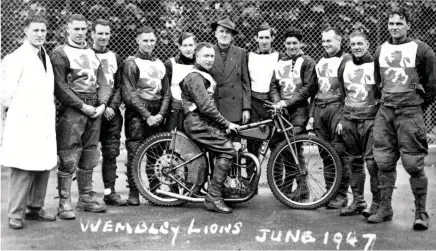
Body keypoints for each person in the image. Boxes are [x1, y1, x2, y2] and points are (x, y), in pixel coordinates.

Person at [368, 7, 436, 230]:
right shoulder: (380, 50)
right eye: (391, 23)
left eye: (399, 23)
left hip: (410, 113)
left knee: (413, 163)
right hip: (385, 111)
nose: (394, 27)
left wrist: (416, 105)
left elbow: (432, 85)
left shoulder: (422, 50)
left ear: (408, 25)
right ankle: (385, 209)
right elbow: (378, 82)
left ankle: (421, 213)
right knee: (383, 161)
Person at [51, 14, 111, 219]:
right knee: (68, 155)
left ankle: (85, 198)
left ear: (87, 30)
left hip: (94, 108)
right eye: (75, 29)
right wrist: (81, 106)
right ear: (68, 29)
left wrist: (103, 103)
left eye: (83, 29)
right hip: (73, 109)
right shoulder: (60, 53)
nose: (79, 33)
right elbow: (59, 86)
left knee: (90, 153)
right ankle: (64, 202)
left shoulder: (92, 53)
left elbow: (103, 81)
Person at [1, 15, 57, 229]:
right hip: (24, 121)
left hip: (43, 121)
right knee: (23, 168)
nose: (40, 34)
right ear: (25, 31)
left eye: (43, 30)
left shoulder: (45, 56)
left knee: (42, 165)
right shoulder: (15, 57)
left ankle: (35, 207)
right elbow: (5, 94)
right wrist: (24, 111)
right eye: (35, 30)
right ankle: (15, 214)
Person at [180, 42, 239, 214]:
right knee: (228, 151)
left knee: (228, 144)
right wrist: (226, 123)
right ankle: (213, 196)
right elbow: (205, 107)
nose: (209, 59)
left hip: (202, 121)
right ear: (196, 56)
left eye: (212, 56)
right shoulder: (195, 77)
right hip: (196, 122)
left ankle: (222, 189)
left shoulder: (203, 75)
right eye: (205, 56)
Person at [121, 26, 171, 206]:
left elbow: (166, 93)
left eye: (152, 40)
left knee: (156, 153)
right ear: (137, 41)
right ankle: (134, 192)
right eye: (145, 40)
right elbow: (129, 94)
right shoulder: (131, 63)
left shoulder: (160, 64)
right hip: (137, 113)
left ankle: (155, 190)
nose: (149, 44)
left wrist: (161, 114)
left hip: (157, 112)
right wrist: (146, 115)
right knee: (134, 153)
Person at [337, 31, 381, 217]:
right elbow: (342, 93)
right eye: (353, 44)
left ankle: (377, 205)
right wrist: (342, 118)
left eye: (360, 43)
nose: (356, 47)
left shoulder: (375, 65)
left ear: (368, 44)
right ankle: (358, 201)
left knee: (372, 163)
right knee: (354, 161)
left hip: (371, 120)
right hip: (349, 119)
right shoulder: (345, 65)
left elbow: (382, 92)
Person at [271, 27, 317, 201]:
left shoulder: (308, 62)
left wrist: (287, 102)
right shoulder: (280, 61)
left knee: (294, 148)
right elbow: (273, 85)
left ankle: (303, 187)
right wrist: (277, 102)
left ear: (300, 43)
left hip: (298, 110)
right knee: (284, 148)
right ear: (284, 43)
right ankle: (287, 187)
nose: (291, 46)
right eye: (288, 43)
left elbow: (308, 88)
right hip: (282, 111)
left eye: (294, 43)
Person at [307, 27, 351, 209]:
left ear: (339, 40)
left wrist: (344, 118)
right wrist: (311, 115)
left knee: (339, 153)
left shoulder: (346, 60)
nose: (326, 44)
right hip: (320, 109)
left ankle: (341, 195)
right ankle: (330, 192)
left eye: (329, 41)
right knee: (325, 154)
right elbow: (315, 91)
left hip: (337, 108)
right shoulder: (320, 61)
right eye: (324, 41)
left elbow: (351, 91)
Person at [91, 19, 127, 206]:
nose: (104, 37)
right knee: (87, 154)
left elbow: (120, 86)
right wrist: (98, 107)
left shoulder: (115, 56)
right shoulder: (86, 55)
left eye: (107, 33)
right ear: (92, 34)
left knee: (111, 153)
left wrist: (112, 107)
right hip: (92, 111)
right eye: (100, 33)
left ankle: (109, 192)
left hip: (111, 114)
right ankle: (86, 193)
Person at [245, 23, 281, 190]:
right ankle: (252, 185)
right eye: (261, 37)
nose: (264, 41)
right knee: (253, 144)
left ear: (272, 38)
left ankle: (279, 185)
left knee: (276, 146)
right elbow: (244, 83)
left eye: (267, 37)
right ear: (256, 39)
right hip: (254, 103)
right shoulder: (249, 56)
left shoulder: (279, 57)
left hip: (272, 104)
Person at [209, 16, 251, 125]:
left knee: (235, 141)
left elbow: (245, 82)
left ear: (232, 36)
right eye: (221, 31)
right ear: (215, 34)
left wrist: (246, 108)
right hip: (214, 107)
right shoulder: (208, 52)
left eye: (228, 32)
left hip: (235, 108)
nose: (224, 35)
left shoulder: (241, 52)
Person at [164, 32, 196, 132]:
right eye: (185, 45)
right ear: (179, 47)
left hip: (193, 109)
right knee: (172, 139)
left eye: (191, 45)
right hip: (175, 109)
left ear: (195, 46)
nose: (188, 49)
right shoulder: (170, 64)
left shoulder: (199, 64)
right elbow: (166, 90)